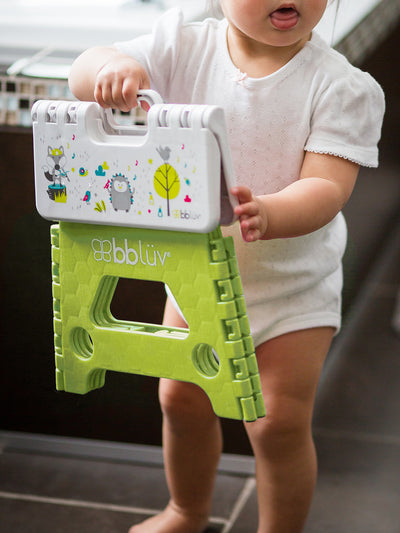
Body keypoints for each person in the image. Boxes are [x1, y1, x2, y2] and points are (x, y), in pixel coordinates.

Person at [68, 1, 385, 531]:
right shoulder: (181, 47)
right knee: (180, 402)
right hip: (198, 280)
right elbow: (82, 73)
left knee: (276, 424)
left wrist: (273, 211)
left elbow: (327, 186)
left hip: (292, 291)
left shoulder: (341, 86)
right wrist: (110, 68)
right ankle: (185, 510)